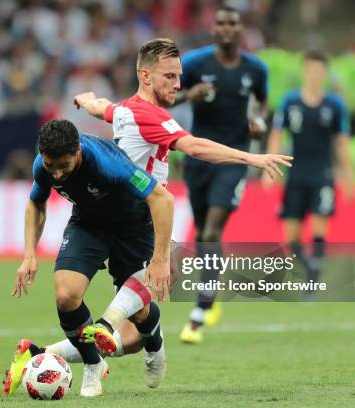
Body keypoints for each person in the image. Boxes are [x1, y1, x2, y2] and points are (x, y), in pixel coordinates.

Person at [71, 34, 290, 350]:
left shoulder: (125, 109)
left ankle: (49, 353)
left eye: (179, 77)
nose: (177, 85)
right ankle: (107, 323)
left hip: (129, 209)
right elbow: (196, 147)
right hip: (138, 214)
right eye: (170, 77)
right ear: (145, 76)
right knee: (160, 276)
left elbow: (103, 108)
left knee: (143, 324)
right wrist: (252, 157)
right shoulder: (151, 115)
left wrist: (86, 100)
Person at [6, 119, 173, 397]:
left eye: (64, 166)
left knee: (133, 338)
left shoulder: (108, 164)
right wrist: (29, 255)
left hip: (132, 226)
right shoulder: (42, 164)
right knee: (65, 294)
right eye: (51, 166)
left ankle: (154, 344)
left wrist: (160, 259)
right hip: (88, 224)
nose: (57, 175)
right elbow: (36, 202)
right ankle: (93, 364)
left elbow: (163, 200)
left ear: (78, 152)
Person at [174, 5, 273, 344]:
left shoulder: (255, 69)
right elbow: (165, 98)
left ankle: (200, 312)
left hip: (234, 159)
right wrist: (189, 94)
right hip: (198, 157)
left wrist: (259, 123)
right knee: (203, 231)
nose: (227, 28)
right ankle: (211, 289)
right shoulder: (195, 64)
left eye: (233, 23)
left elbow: (262, 103)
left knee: (214, 228)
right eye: (221, 23)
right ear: (214, 28)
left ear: (240, 29)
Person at [262, 49, 355, 290]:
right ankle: (311, 268)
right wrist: (268, 167)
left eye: (319, 70)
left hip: (322, 175)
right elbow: (276, 134)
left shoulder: (334, 106)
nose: (314, 74)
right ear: (304, 71)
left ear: (324, 73)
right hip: (296, 175)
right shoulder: (289, 102)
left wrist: (348, 177)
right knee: (291, 237)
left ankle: (312, 284)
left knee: (319, 228)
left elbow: (342, 143)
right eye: (310, 70)